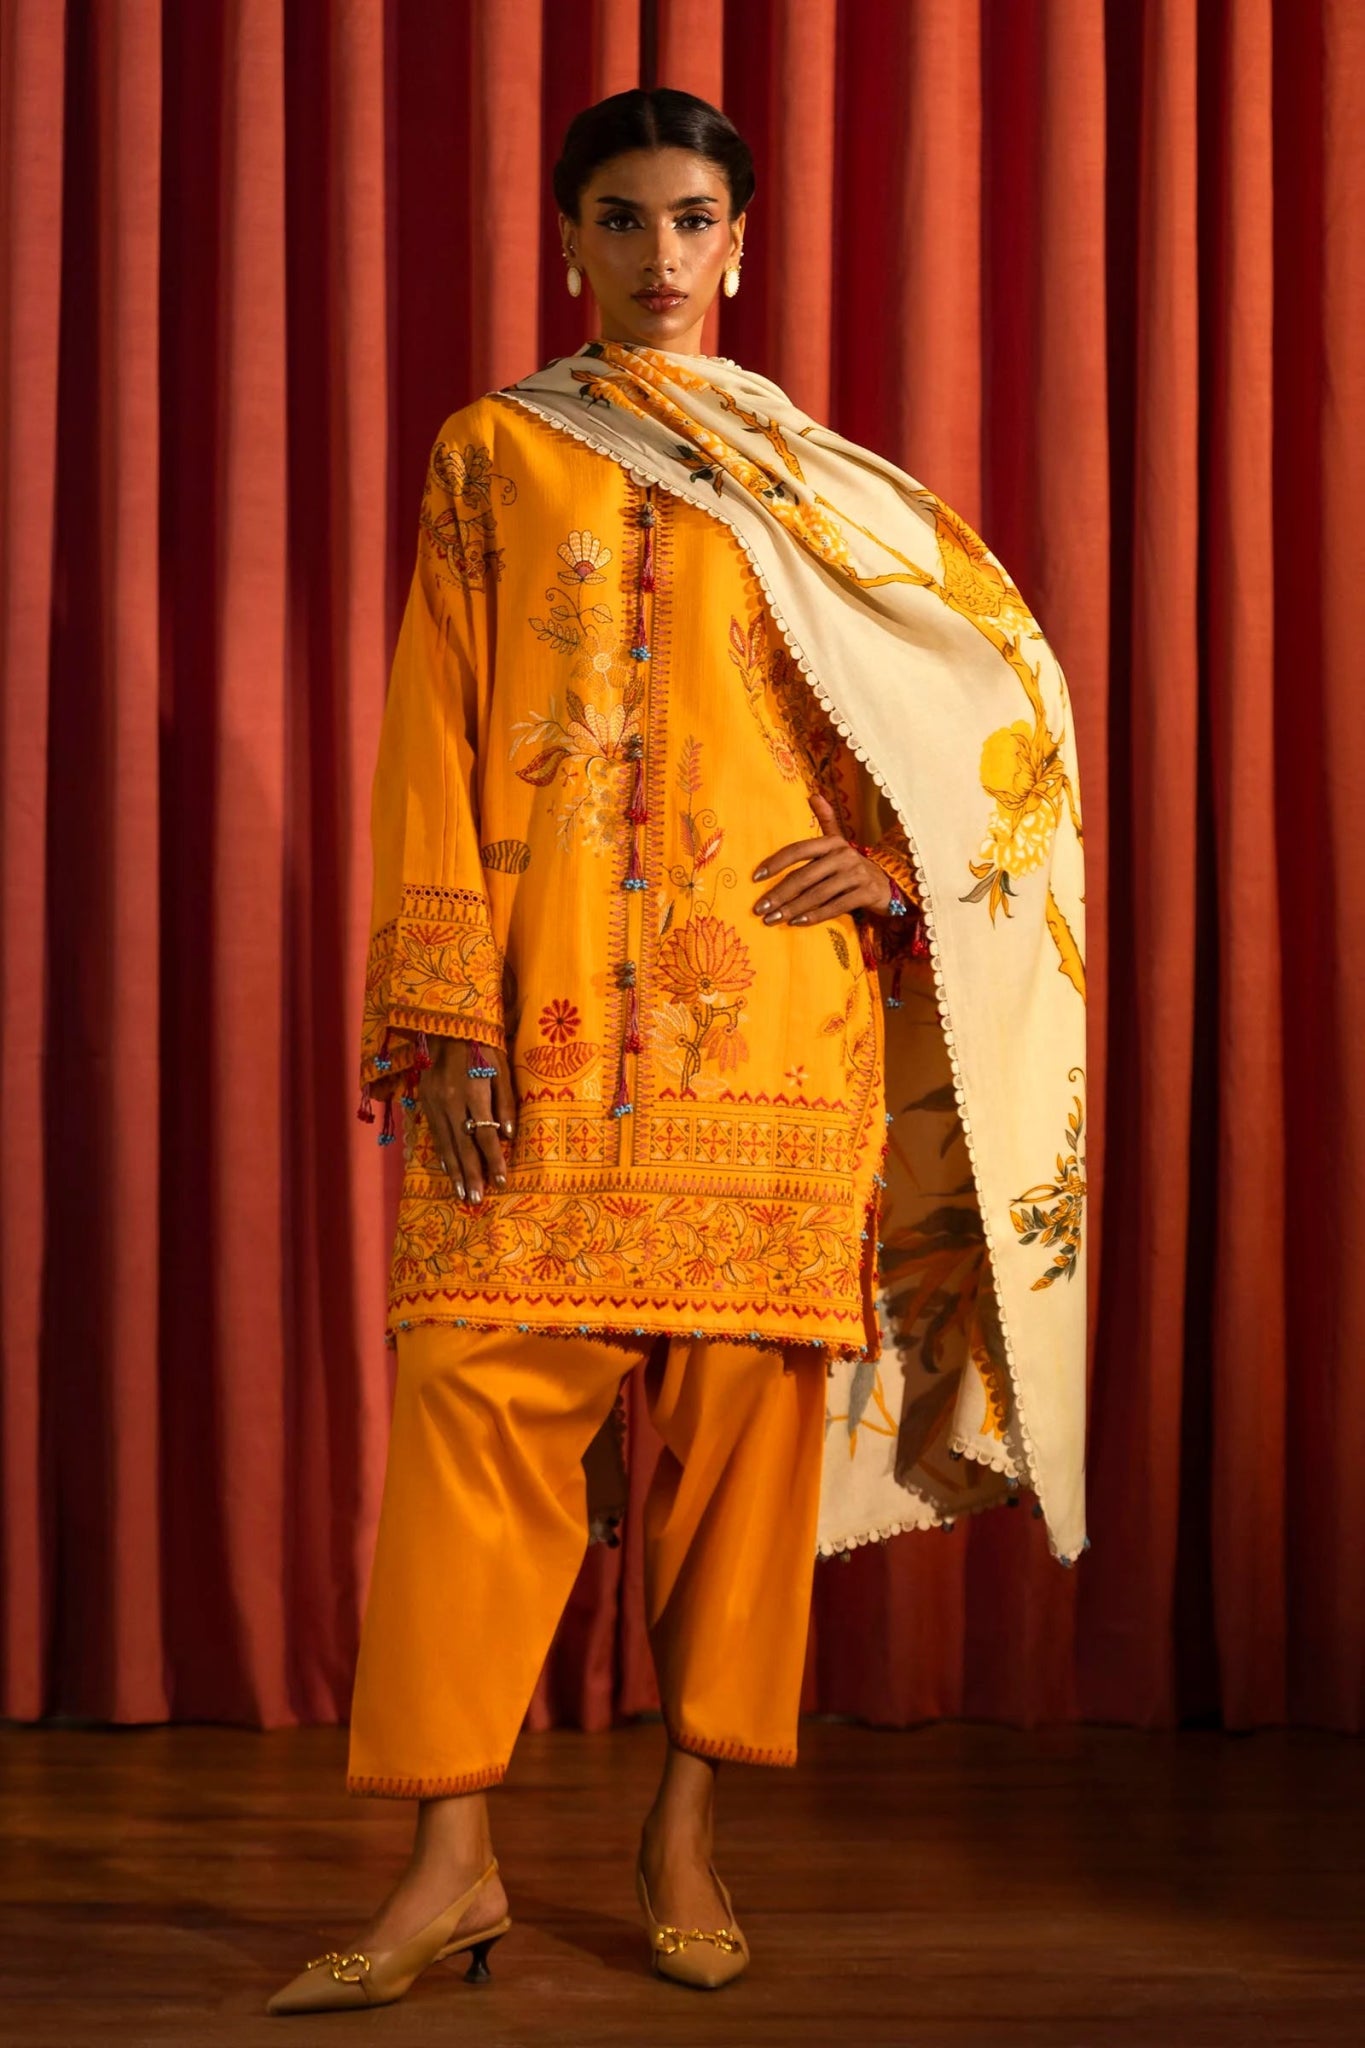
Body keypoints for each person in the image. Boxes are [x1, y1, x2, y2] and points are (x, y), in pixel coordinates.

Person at [266, 86, 1087, 2018]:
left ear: (743, 244)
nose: (657, 256)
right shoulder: (494, 453)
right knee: (473, 1422)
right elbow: (430, 743)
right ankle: (447, 1868)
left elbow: (997, 715)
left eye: (692, 219)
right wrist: (437, 1010)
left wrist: (895, 863)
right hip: (534, 1035)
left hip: (767, 1046)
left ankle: (686, 1832)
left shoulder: (822, 488)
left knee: (736, 1452)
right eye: (621, 219)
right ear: (568, 239)